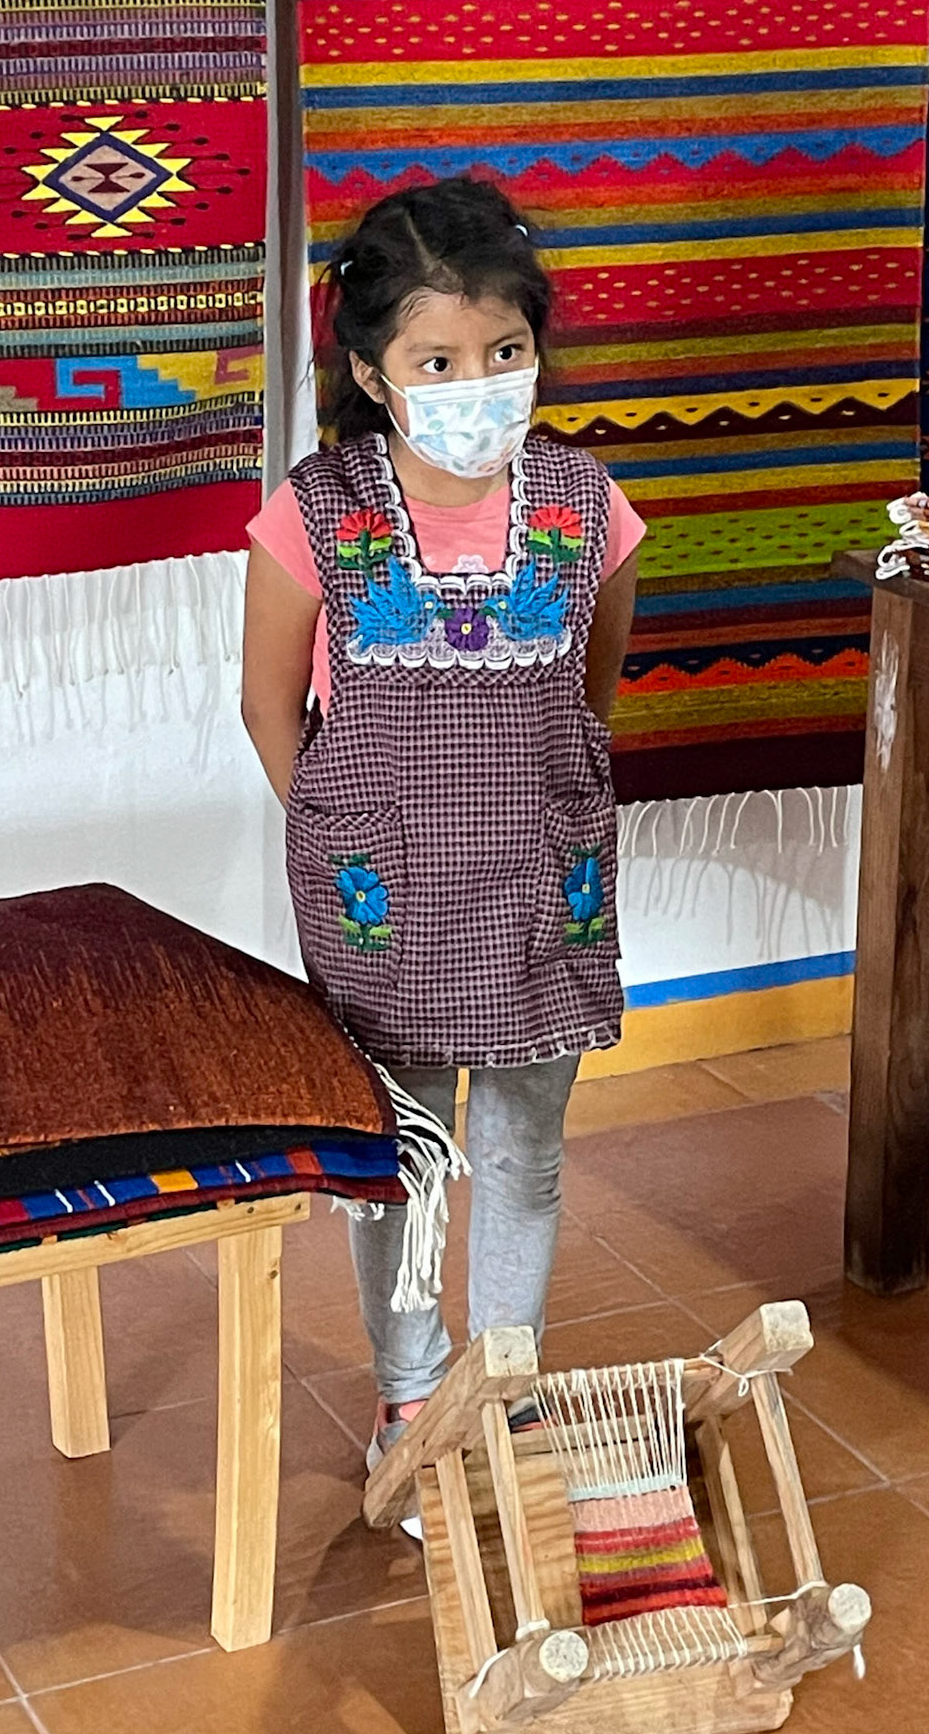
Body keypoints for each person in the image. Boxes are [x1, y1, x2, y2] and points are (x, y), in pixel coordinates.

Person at [241, 177, 643, 1529]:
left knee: (525, 1150)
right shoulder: (316, 510)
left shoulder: (591, 507)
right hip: (386, 896)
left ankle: (509, 1382)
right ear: (371, 370)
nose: (479, 383)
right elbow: (265, 702)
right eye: (437, 362)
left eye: (506, 354)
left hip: (539, 881)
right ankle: (414, 1393)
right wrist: (349, 837)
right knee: (407, 1155)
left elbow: (593, 688)